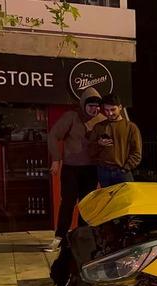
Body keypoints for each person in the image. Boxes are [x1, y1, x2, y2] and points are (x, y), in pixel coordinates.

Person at [43, 87, 106, 253]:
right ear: (83, 105)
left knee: (86, 205)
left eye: (97, 106)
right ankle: (59, 238)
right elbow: (53, 135)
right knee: (68, 203)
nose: (95, 109)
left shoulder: (101, 120)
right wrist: (56, 159)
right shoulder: (71, 117)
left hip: (91, 169)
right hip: (71, 169)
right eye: (91, 105)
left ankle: (82, 239)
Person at [88, 94, 142, 187]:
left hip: (122, 172)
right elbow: (90, 150)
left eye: (113, 110)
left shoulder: (131, 127)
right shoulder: (99, 126)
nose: (109, 113)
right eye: (106, 110)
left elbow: (136, 153)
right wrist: (99, 144)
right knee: (107, 200)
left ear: (120, 107)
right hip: (103, 172)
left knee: (125, 200)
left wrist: (125, 168)